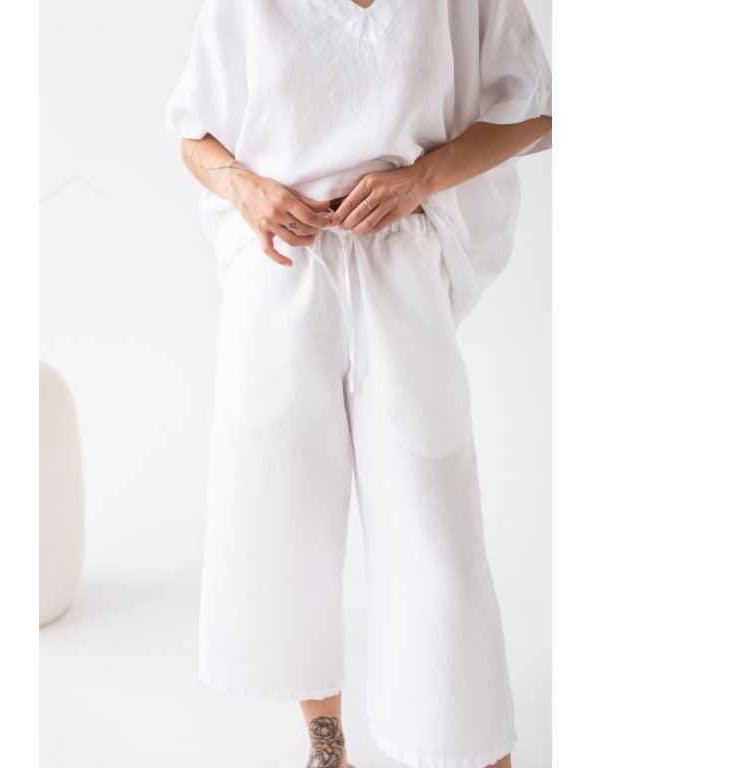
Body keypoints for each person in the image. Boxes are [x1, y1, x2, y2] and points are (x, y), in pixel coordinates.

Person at [165, 1, 551, 766]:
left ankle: (474, 748)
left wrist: (421, 179)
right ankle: (326, 743)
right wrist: (247, 188)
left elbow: (537, 110)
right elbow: (193, 131)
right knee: (285, 517)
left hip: (401, 270)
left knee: (435, 529)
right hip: (282, 276)